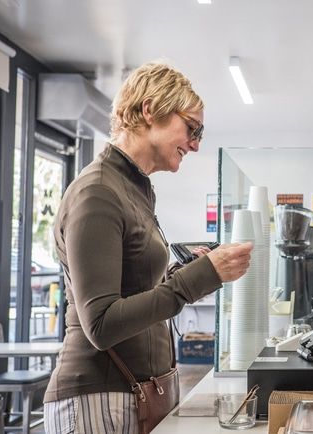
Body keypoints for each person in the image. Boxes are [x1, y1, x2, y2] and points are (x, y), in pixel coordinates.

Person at [43, 62, 253, 433]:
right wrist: (197, 279)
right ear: (149, 110)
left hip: (130, 393)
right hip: (98, 396)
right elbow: (103, 323)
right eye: (192, 127)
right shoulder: (99, 192)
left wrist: (185, 274)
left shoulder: (133, 189)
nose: (196, 143)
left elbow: (136, 291)